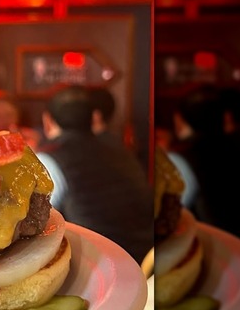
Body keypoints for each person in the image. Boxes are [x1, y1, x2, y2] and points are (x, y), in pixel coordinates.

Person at [36, 85, 153, 264]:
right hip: (147, 260)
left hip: (101, 269)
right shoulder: (122, 149)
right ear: (93, 118)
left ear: (48, 121)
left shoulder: (48, 160)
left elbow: (37, 225)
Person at [168, 85, 240, 263]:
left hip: (225, 261)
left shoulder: (182, 159)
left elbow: (168, 215)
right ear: (224, 117)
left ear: (180, 120)